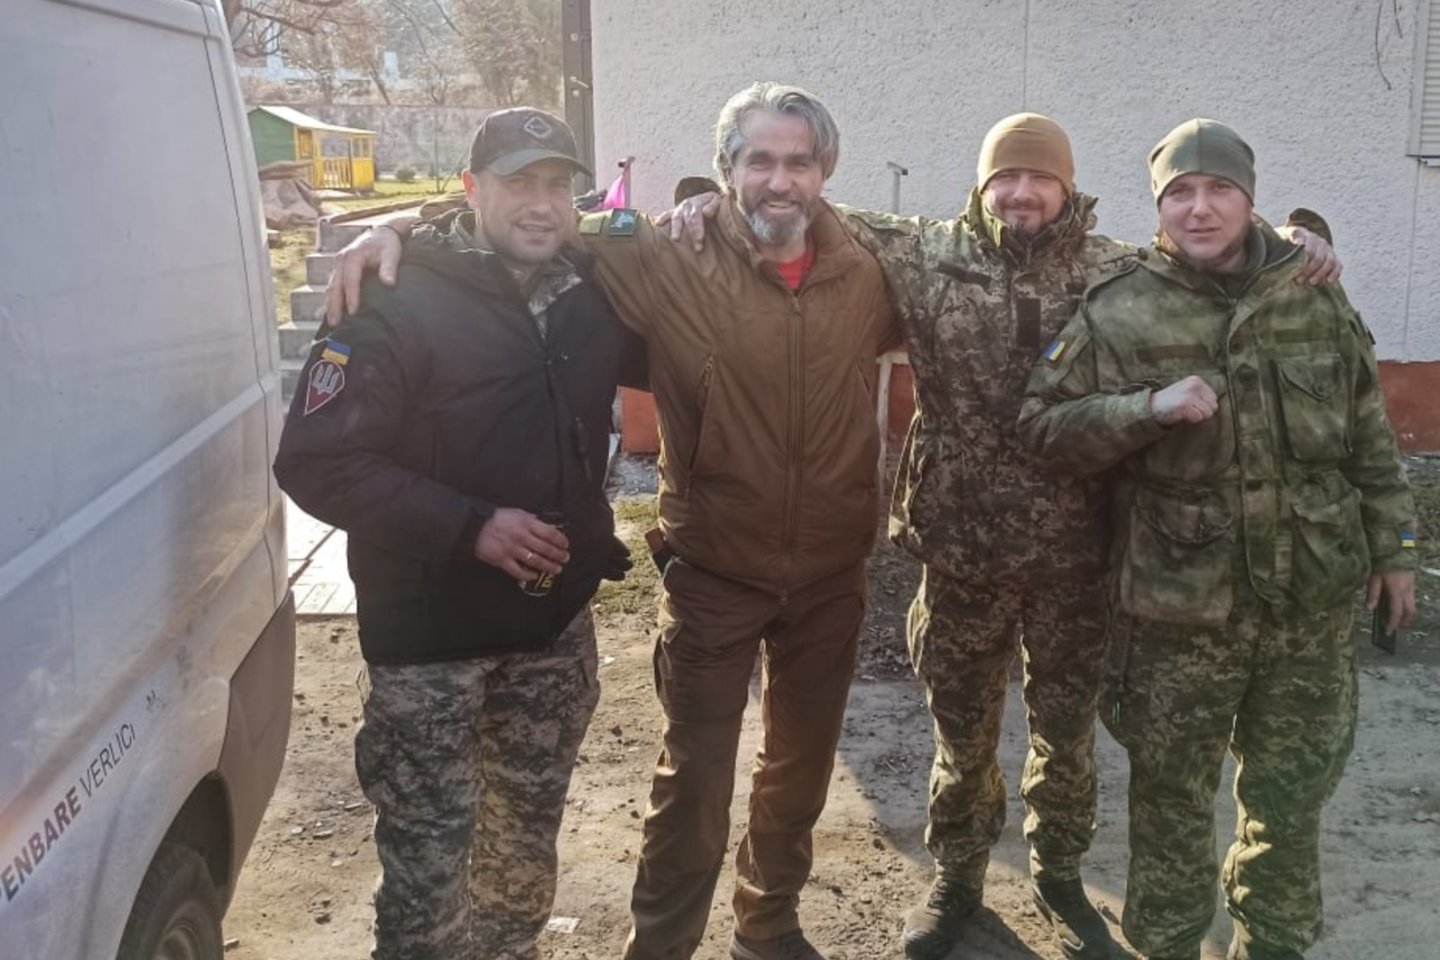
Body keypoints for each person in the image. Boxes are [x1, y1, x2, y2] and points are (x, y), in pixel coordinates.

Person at [664, 112, 1340, 960]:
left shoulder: (1116, 268)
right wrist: (703, 203)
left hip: (1080, 553)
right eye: (1005, 177)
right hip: (962, 548)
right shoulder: (924, 252)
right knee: (962, 730)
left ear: (1067, 186)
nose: (1022, 193)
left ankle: (1060, 872)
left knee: (1067, 733)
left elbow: (1213, 252)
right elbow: (796, 205)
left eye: (1040, 178)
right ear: (983, 184)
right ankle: (958, 877)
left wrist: (1296, 237)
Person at [325, 82, 897, 960]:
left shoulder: (871, 261)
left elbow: (982, 250)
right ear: (726, 170)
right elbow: (526, 218)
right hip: (716, 569)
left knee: (801, 769)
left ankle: (769, 923)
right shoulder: (660, 251)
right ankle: (661, 946)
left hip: (830, 574)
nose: (780, 180)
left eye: (799, 162)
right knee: (694, 780)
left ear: (825, 171)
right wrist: (398, 224)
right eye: (759, 160)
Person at [1017, 118, 1418, 960]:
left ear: (1250, 198)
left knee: (1292, 796)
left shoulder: (1313, 291)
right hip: (1178, 615)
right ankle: (1167, 945)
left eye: (1219, 189)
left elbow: (1368, 435)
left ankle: (1272, 943)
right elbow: (1042, 428)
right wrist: (1145, 410)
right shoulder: (1121, 306)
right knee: (1171, 802)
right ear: (1158, 206)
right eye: (1180, 193)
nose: (1199, 209)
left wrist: (1395, 552)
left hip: (1308, 606)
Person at [274, 107, 644, 960]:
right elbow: (318, 462)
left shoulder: (591, 292)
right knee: (428, 875)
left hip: (550, 632)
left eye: (557, 184)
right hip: (430, 648)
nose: (541, 203)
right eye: (518, 182)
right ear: (472, 188)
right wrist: (470, 527)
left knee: (522, 855)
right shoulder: (391, 296)